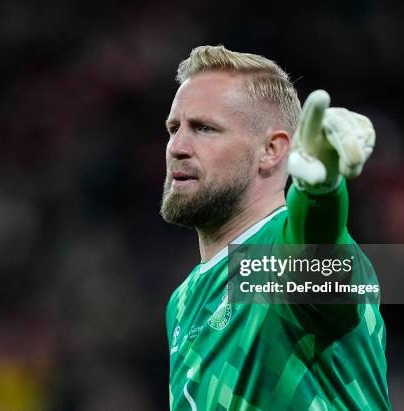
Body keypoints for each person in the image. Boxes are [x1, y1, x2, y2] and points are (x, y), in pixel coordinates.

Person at [161, 45, 390, 410]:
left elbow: (313, 241)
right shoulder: (182, 299)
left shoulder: (283, 258)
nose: (176, 147)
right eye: (174, 128)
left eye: (203, 128)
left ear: (271, 150)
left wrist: (320, 191)